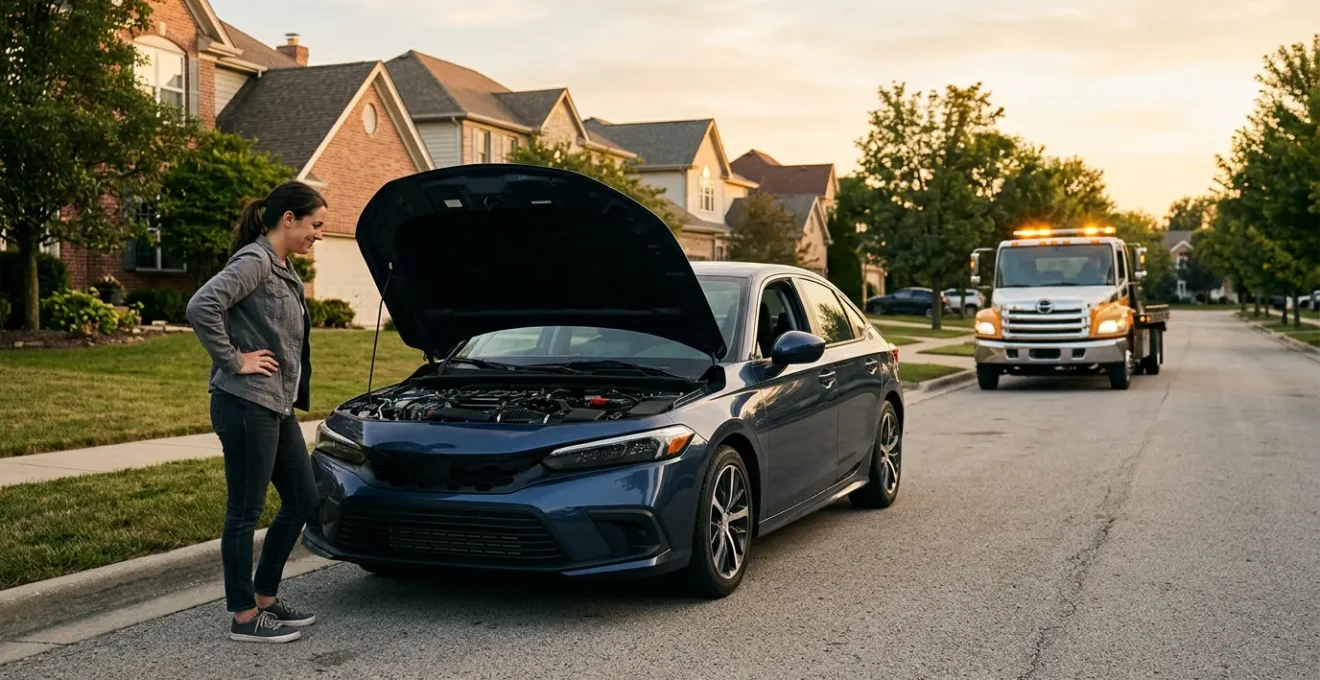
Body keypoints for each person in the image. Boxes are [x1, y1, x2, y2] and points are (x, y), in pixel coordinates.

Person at [186, 181, 327, 643]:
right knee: (244, 511)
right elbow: (202, 304)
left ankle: (265, 597)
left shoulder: (282, 268)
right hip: (244, 403)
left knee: (304, 498)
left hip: (276, 404)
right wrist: (235, 359)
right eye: (315, 225)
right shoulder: (255, 262)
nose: (318, 235)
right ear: (289, 219)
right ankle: (244, 617)